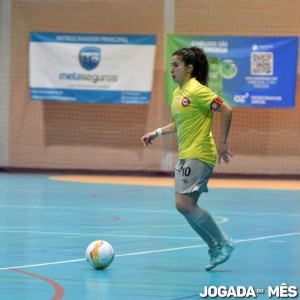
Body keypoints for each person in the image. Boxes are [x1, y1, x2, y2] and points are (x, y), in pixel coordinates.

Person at [141, 47, 236, 271]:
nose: (171, 69)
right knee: (183, 206)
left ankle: (222, 242)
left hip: (200, 153)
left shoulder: (197, 90)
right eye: (171, 65)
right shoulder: (179, 93)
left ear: (189, 68)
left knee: (184, 203)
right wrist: (157, 132)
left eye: (176, 65)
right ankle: (214, 246)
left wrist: (223, 143)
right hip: (187, 155)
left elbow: (227, 110)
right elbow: (179, 123)